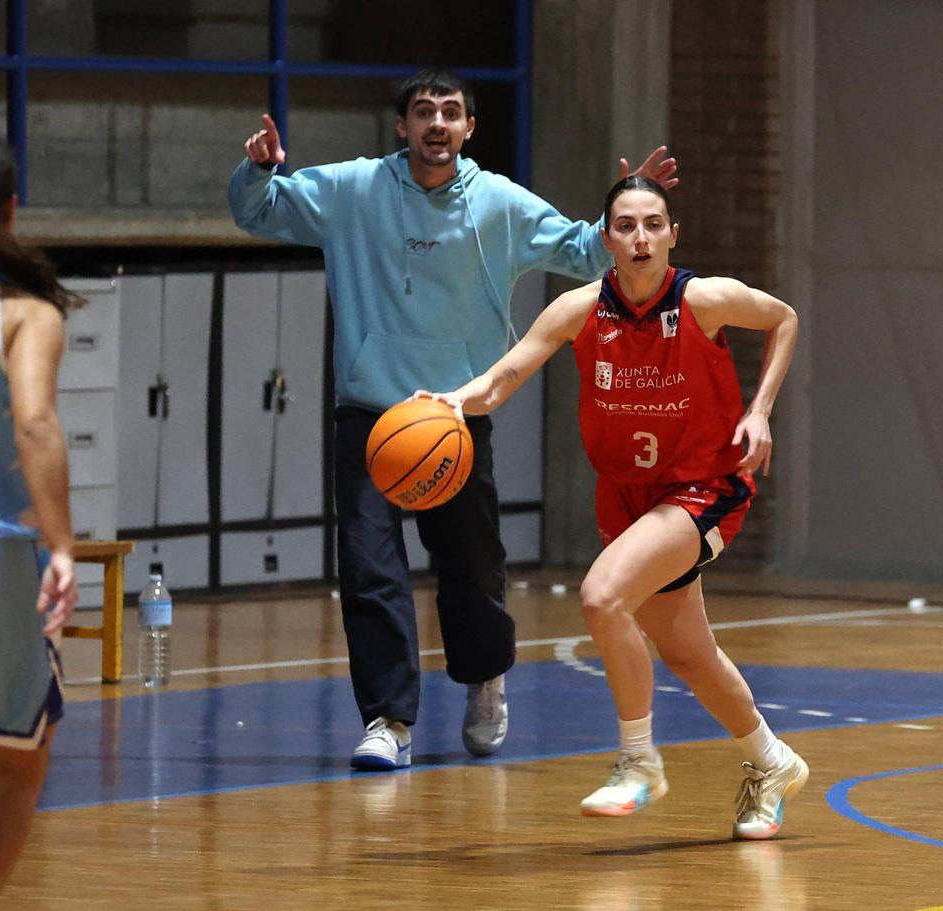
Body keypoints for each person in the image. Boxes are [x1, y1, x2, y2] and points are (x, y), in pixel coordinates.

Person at [228, 68, 678, 769]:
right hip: (373, 415)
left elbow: (586, 252)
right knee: (369, 565)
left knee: (472, 564)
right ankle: (388, 719)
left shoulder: (498, 201)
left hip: (457, 413)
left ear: (470, 128)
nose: (437, 122)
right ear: (402, 126)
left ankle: (484, 678)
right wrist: (257, 171)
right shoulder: (353, 189)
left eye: (451, 112)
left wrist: (630, 203)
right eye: (422, 111)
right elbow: (260, 210)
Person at [417, 175, 805, 839]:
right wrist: (453, 400)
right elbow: (506, 374)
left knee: (601, 596)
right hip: (626, 496)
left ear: (673, 234)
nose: (641, 236)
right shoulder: (580, 310)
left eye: (654, 222)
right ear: (606, 239)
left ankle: (638, 760)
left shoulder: (704, 300)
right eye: (625, 224)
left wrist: (760, 410)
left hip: (702, 490)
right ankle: (774, 762)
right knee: (689, 654)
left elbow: (784, 318)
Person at [0, 131, 79, 906]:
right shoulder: (23, 309)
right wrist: (61, 545)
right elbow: (37, 424)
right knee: (16, 757)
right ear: (11, 207)